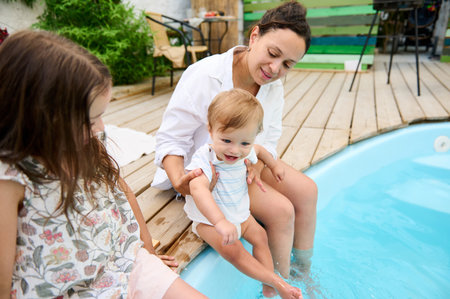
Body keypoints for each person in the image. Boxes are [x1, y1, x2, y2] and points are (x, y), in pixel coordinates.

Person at [0, 30, 207, 299]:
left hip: (123, 262)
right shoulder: (12, 179)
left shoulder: (85, 143)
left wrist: (148, 250)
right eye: (90, 119)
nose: (101, 127)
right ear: (41, 116)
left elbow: (122, 190)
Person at [153, 0, 317, 278]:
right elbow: (171, 139)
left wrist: (260, 166)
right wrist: (181, 179)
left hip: (246, 160)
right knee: (282, 212)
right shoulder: (205, 74)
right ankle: (281, 282)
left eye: (287, 64)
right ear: (255, 36)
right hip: (213, 169)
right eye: (273, 53)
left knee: (308, 191)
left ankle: (304, 271)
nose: (275, 69)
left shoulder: (273, 88)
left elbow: (271, 138)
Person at [186, 89, 301, 298]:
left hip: (240, 215)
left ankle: (268, 286)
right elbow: (197, 189)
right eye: (227, 141)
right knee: (234, 251)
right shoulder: (206, 157)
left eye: (244, 143)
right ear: (211, 130)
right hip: (209, 221)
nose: (235, 151)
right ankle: (276, 282)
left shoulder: (246, 150)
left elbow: (260, 150)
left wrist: (274, 166)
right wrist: (220, 222)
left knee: (261, 237)